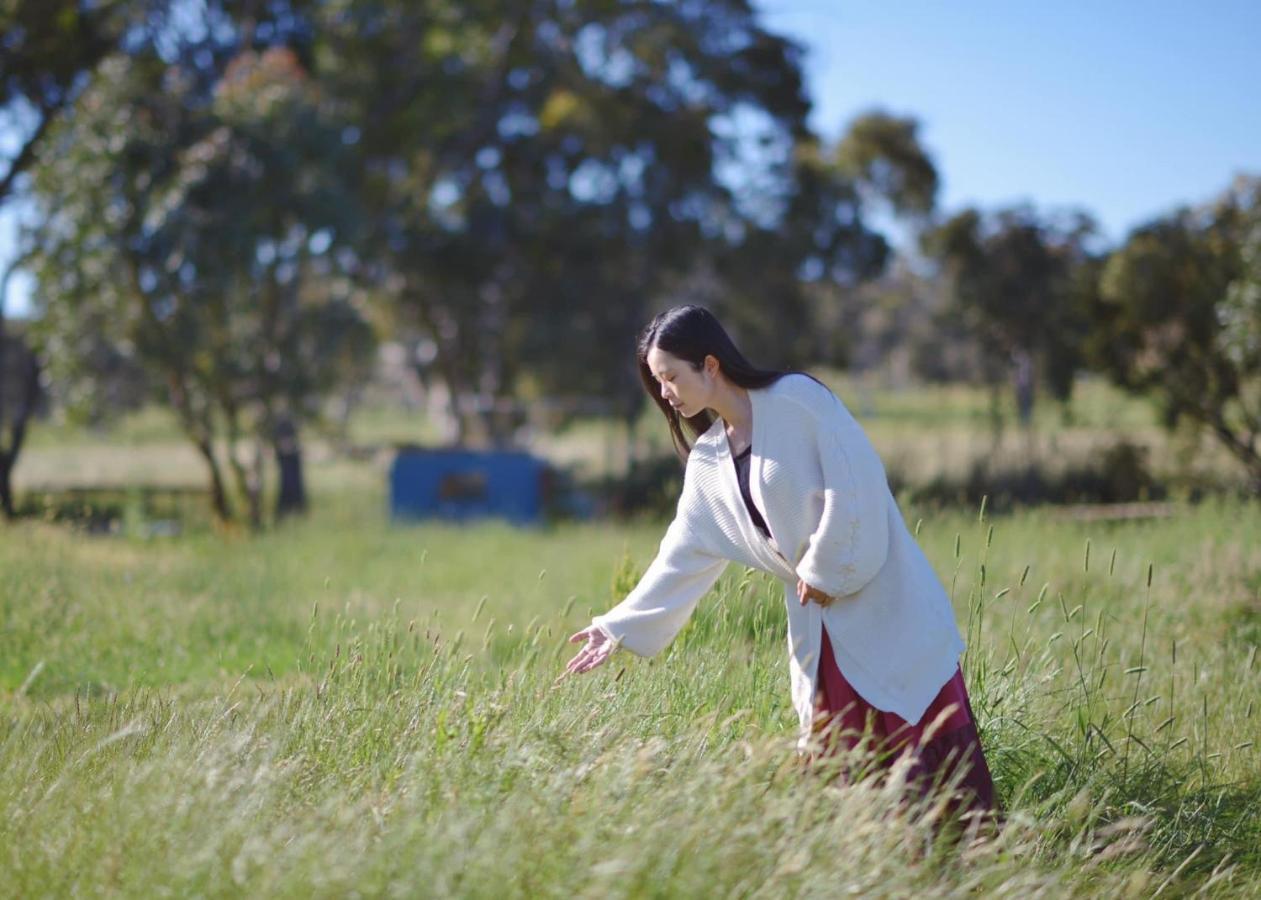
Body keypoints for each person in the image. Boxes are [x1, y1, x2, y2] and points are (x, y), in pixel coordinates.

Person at [565, 305, 997, 820]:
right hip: (820, 634)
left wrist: (823, 570)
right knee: (848, 776)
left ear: (710, 364)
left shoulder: (798, 402)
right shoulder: (708, 462)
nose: (665, 393)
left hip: (885, 603)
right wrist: (617, 626)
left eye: (671, 377)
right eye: (658, 382)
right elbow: (680, 553)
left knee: (930, 764)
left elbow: (856, 484)